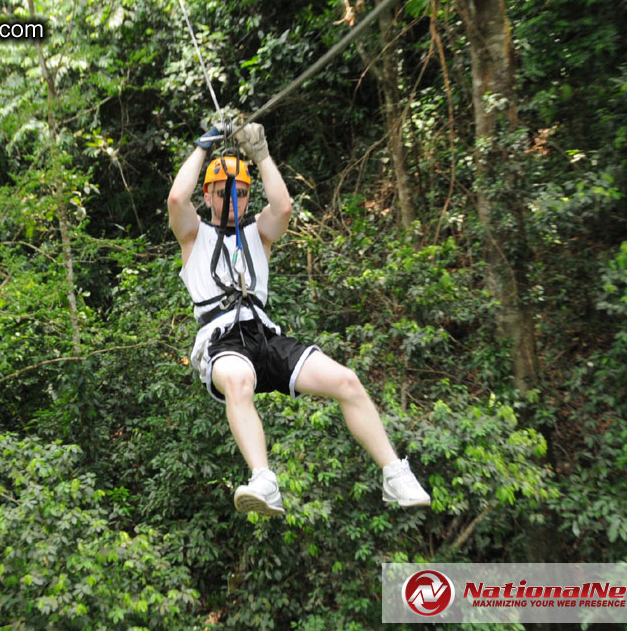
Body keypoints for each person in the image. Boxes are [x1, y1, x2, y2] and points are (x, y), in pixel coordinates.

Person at [166, 122, 432, 516]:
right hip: (221, 338)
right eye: (224, 193)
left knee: (346, 381)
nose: (234, 200)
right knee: (237, 381)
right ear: (207, 196)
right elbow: (176, 198)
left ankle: (395, 473)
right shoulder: (193, 235)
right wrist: (204, 145)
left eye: (241, 193)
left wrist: (261, 155)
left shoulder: (259, 232)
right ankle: (263, 479)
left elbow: (283, 208)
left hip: (263, 334)